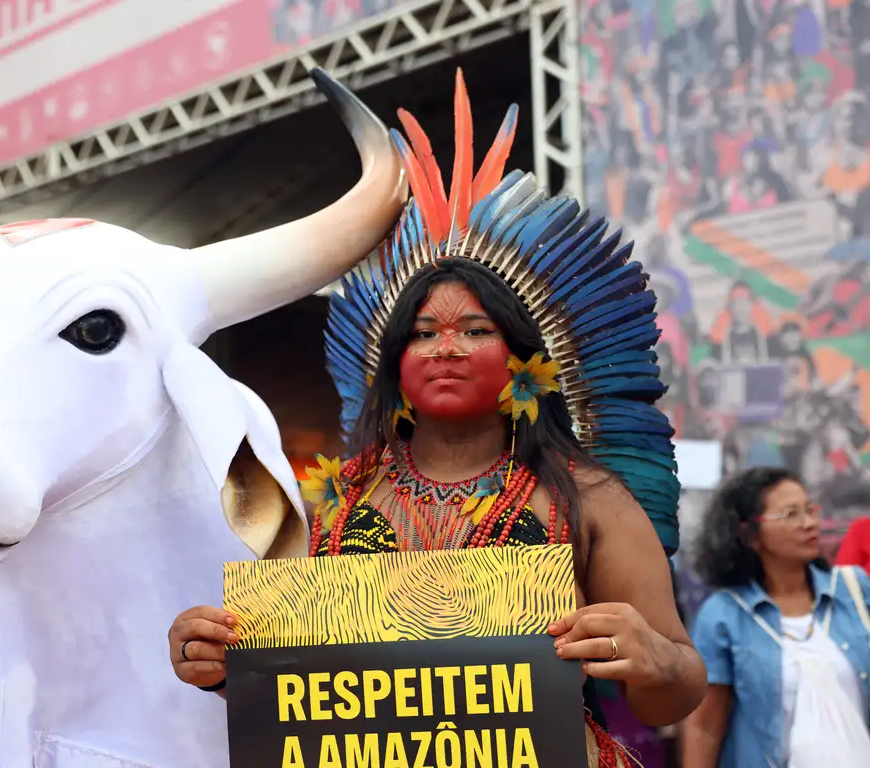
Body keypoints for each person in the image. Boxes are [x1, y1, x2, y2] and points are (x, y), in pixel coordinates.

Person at [168, 69, 706, 766]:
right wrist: (213, 657)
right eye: (422, 334)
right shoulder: (335, 504)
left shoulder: (589, 497)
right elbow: (286, 686)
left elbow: (676, 693)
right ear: (393, 364)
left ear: (522, 355)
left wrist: (652, 658)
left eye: (474, 331)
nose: (445, 346)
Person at [680, 467, 870, 767]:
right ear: (749, 535)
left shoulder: (853, 589)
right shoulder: (725, 615)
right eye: (790, 514)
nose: (809, 523)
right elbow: (704, 726)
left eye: (810, 510)